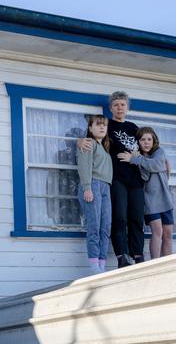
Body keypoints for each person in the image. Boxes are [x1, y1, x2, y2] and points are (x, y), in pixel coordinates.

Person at [79, 91, 144, 268]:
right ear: (111, 108)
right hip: (116, 179)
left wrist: (162, 159)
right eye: (116, 105)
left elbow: (147, 145)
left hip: (136, 179)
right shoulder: (107, 126)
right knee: (120, 218)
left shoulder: (133, 128)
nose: (120, 107)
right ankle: (122, 256)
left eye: (123, 104)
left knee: (137, 219)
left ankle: (138, 256)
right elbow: (90, 140)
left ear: (128, 107)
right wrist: (79, 141)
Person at [118, 127, 174, 259]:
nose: (146, 142)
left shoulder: (160, 152)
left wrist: (135, 160)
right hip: (150, 201)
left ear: (154, 140)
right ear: (138, 142)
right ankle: (155, 264)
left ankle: (167, 264)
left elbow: (155, 165)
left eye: (149, 139)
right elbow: (145, 177)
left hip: (166, 200)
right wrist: (140, 161)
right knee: (157, 232)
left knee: (168, 234)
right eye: (143, 140)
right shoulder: (139, 156)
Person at [76, 115, 113, 274]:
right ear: (90, 128)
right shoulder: (89, 143)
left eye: (104, 125)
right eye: (98, 125)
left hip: (105, 187)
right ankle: (94, 267)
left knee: (105, 227)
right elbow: (84, 166)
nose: (102, 127)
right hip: (93, 184)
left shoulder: (103, 147)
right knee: (94, 226)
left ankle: (102, 264)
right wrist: (87, 187)